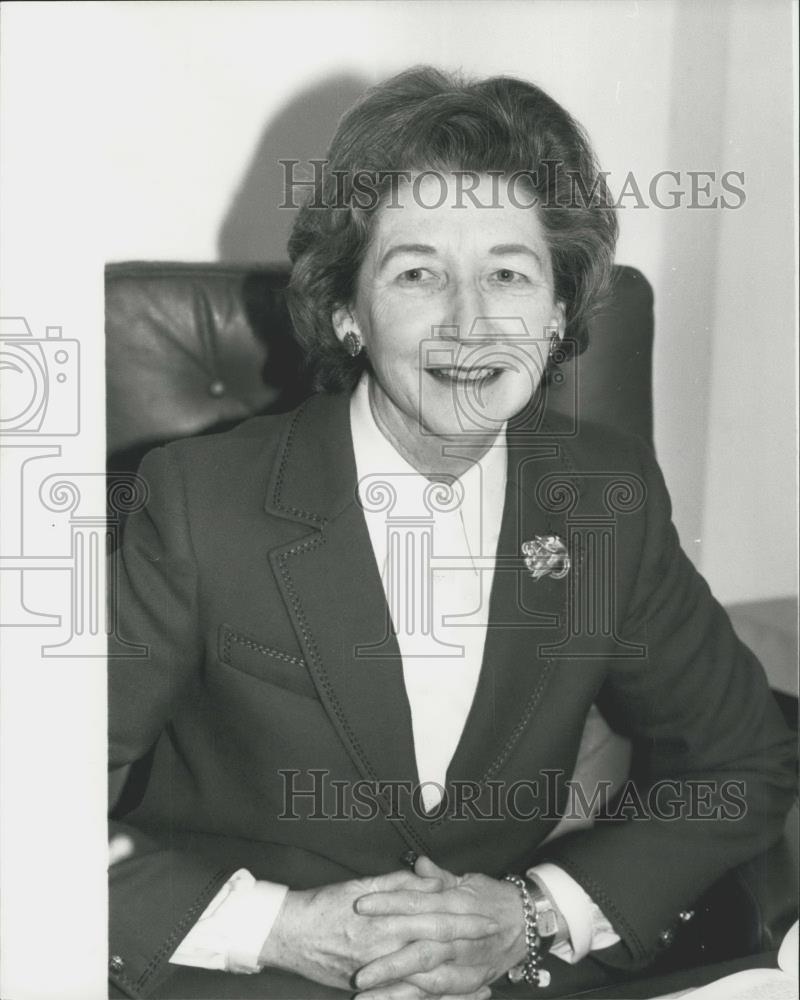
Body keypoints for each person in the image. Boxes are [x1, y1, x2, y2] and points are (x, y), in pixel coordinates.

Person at [108, 67, 795, 1000]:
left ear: (556, 314)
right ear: (348, 311)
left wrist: (535, 913)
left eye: (509, 274)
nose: (470, 324)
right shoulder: (200, 500)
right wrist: (279, 928)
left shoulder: (604, 497)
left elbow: (742, 763)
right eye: (418, 273)